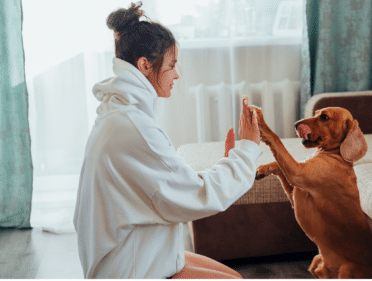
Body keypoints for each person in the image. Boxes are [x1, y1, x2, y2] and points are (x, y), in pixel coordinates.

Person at [73, 2, 261, 279]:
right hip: (130, 267)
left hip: (138, 249)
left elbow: (168, 185)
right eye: (172, 65)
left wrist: (230, 160)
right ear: (145, 65)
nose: (177, 74)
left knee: (235, 277)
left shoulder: (120, 114)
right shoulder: (133, 128)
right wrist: (247, 149)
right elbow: (197, 195)